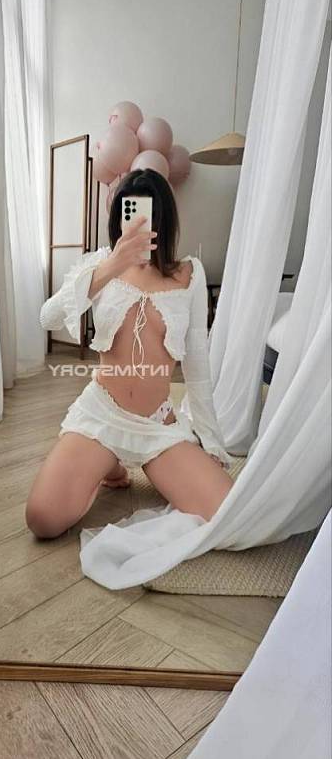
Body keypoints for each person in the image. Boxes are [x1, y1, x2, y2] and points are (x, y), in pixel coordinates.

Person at [26, 168, 234, 539]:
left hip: (157, 424)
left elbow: (197, 366)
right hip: (101, 415)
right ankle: (108, 463)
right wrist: (112, 266)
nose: (137, 222)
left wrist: (211, 440)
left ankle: (120, 462)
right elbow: (47, 317)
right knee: (42, 519)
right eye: (128, 212)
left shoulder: (190, 273)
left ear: (163, 219)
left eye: (146, 214)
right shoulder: (99, 264)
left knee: (226, 513)